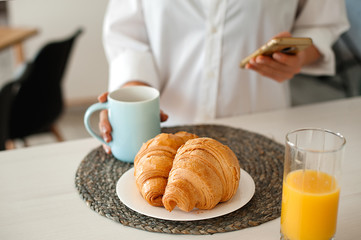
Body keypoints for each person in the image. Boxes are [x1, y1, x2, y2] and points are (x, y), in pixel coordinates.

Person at [99, 0, 349, 154]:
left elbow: (322, 22)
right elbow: (127, 37)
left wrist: (299, 56)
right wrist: (133, 95)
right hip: (166, 130)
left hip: (261, 129)